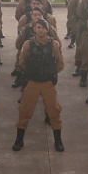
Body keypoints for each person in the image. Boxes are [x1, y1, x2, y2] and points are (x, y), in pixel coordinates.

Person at [14, 19, 65, 152]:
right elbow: (22, 62)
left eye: (43, 28)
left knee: (54, 111)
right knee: (25, 111)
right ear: (34, 29)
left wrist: (50, 73)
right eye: (38, 27)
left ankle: (58, 140)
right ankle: (19, 140)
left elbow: (60, 63)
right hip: (32, 82)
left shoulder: (54, 44)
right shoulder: (27, 44)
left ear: (47, 30)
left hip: (48, 83)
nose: (41, 30)